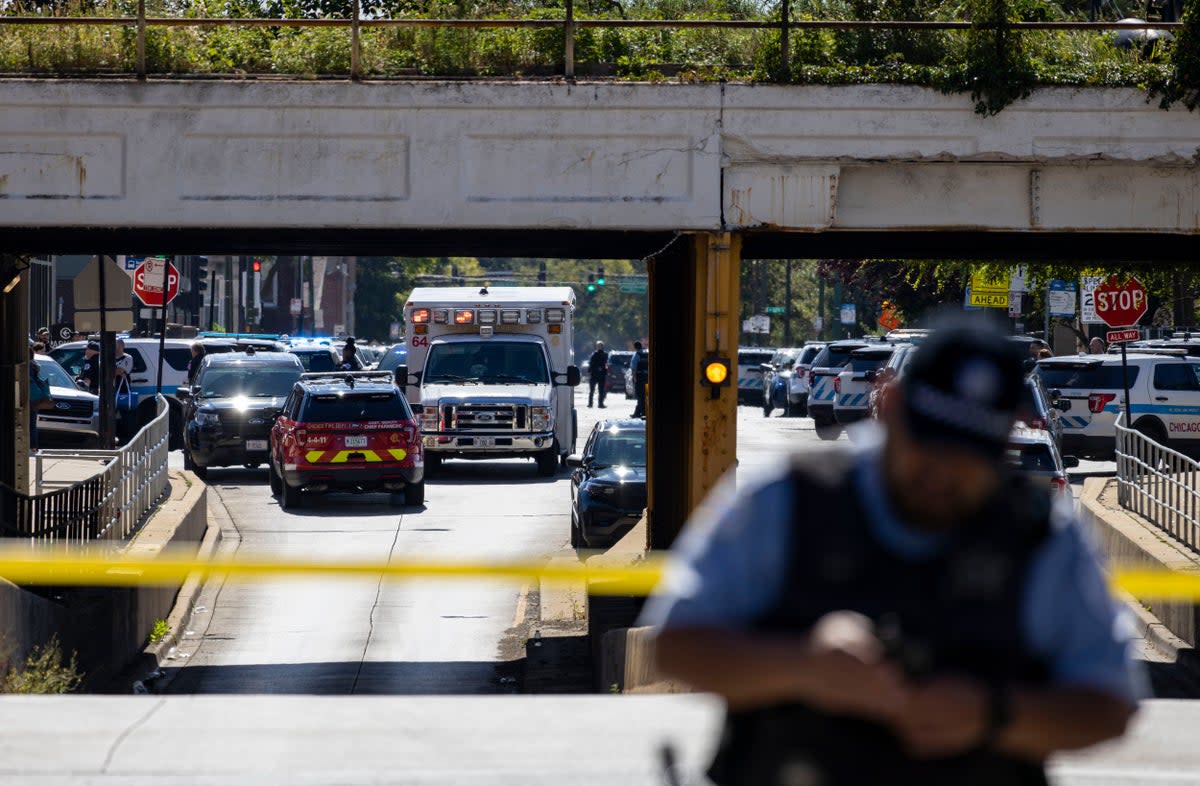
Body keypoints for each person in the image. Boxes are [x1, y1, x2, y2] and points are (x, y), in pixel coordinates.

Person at [643, 316, 1142, 786]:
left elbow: (1111, 704)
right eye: (928, 442)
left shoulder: (1041, 537)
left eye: (969, 454)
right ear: (893, 403)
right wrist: (803, 665)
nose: (942, 472)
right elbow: (674, 645)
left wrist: (993, 714)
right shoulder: (788, 499)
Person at [28, 346, 54, 452]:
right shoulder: (35, 365)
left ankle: (30, 446)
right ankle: (33, 447)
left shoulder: (28, 366)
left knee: (27, 423)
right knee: (33, 424)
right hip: (36, 398)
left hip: (28, 398)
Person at [588, 341, 609, 409]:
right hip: (596, 374)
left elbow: (605, 363)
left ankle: (600, 403)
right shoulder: (595, 354)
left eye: (601, 346)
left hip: (600, 374)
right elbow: (591, 364)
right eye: (599, 346)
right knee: (592, 390)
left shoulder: (603, 354)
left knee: (601, 390)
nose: (600, 347)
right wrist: (589, 372)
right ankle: (590, 403)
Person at [630, 341, 648, 419]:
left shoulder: (636, 355)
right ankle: (637, 413)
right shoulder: (646, 354)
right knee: (645, 396)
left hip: (639, 379)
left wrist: (635, 379)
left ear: (635, 347)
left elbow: (633, 369)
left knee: (640, 396)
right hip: (647, 378)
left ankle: (643, 413)